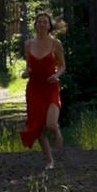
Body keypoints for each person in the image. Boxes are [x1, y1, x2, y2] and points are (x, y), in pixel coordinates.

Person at [19, 11, 66, 170]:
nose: (42, 24)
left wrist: (56, 75)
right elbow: (29, 67)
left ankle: (57, 131)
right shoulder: (28, 44)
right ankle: (49, 160)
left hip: (50, 87)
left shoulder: (55, 43)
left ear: (49, 25)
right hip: (34, 89)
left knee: (51, 124)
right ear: (35, 25)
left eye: (45, 22)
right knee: (38, 128)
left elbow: (62, 66)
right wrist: (26, 73)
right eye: (39, 22)